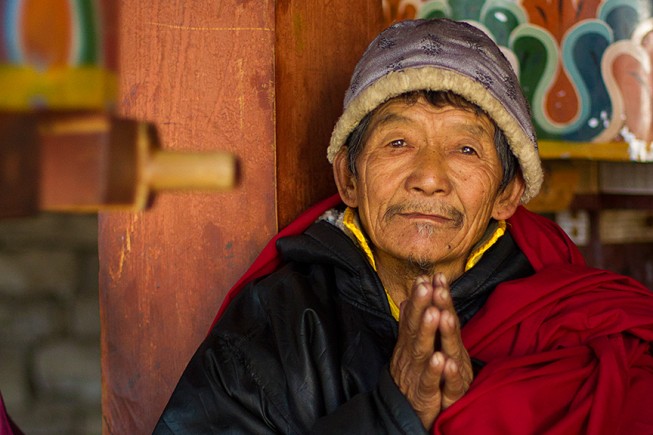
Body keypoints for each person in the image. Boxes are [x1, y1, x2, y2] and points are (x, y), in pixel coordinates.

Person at [154, 18, 653, 434]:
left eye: (465, 149)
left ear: (508, 192)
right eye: (398, 143)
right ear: (349, 177)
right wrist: (392, 415)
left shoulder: (578, 326)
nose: (429, 177)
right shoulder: (278, 323)